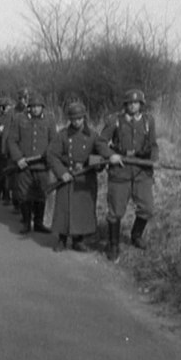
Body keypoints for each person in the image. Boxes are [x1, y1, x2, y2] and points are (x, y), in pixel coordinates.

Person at [46, 103, 121, 252]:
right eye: (73, 119)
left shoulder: (93, 135)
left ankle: (78, 241)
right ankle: (62, 239)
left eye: (79, 118)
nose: (76, 122)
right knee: (63, 210)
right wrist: (62, 173)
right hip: (66, 177)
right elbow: (51, 155)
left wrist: (93, 163)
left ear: (84, 118)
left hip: (85, 179)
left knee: (83, 211)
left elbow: (100, 155)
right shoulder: (62, 135)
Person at [99, 89, 158, 261]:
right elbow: (101, 142)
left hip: (141, 171)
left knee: (147, 207)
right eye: (130, 103)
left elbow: (154, 145)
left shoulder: (148, 121)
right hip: (120, 171)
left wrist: (154, 159)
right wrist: (111, 155)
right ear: (125, 105)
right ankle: (114, 245)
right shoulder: (114, 120)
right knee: (115, 211)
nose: (133, 106)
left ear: (141, 104)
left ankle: (136, 235)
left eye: (136, 103)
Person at [7, 92, 56, 234]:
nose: (35, 109)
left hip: (42, 165)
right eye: (32, 106)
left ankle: (39, 223)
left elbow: (54, 141)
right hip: (24, 164)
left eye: (38, 106)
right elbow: (12, 140)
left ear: (42, 107)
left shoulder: (50, 120)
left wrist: (49, 155)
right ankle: (26, 223)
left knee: (41, 193)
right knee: (24, 194)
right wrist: (18, 158)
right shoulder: (19, 119)